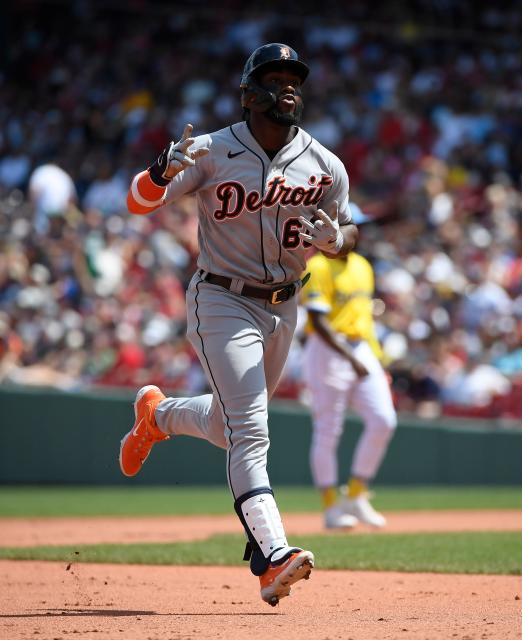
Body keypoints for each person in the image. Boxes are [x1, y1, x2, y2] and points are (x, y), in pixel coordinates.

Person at [117, 43, 359, 607]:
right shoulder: (211, 150)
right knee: (251, 430)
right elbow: (137, 202)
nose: (289, 87)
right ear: (250, 94)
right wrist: (157, 174)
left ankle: (160, 417)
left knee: (232, 428)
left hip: (285, 305)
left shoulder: (325, 164)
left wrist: (338, 241)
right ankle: (271, 557)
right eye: (276, 78)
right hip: (222, 300)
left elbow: (351, 235)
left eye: (295, 78)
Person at [300, 246, 397, 529]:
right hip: (327, 350)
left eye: (356, 226)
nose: (353, 233)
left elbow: (364, 319)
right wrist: (352, 358)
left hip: (361, 347)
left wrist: (375, 358)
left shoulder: (363, 266)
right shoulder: (317, 266)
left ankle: (356, 495)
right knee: (328, 430)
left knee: (383, 420)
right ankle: (331, 506)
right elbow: (318, 322)